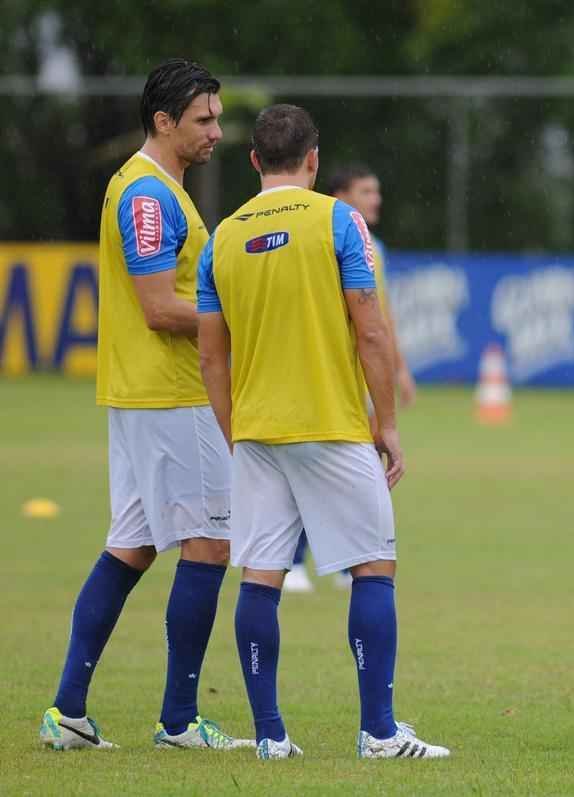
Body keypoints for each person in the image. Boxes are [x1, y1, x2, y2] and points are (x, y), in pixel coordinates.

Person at [197, 103, 449, 760]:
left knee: (260, 576)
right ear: (312, 159)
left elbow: (210, 356)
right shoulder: (339, 221)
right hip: (331, 426)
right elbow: (370, 328)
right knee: (374, 566)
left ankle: (271, 735)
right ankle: (379, 731)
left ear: (254, 161)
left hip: (255, 432)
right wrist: (387, 423)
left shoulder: (221, 237)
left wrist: (234, 431)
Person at [39, 59, 251, 752]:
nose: (217, 130)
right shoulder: (149, 197)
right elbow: (159, 307)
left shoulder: (159, 191)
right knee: (210, 543)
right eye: (204, 119)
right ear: (163, 122)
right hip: (172, 395)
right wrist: (237, 318)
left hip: (145, 396)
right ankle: (181, 720)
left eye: (217, 117)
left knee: (129, 547)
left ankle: (68, 711)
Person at [283, 163, 417, 594]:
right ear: (340, 196)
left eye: (376, 191)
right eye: (366, 190)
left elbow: (379, 316)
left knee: (357, 472)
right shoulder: (323, 236)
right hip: (325, 379)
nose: (375, 199)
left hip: (361, 380)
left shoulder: (371, 244)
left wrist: (398, 368)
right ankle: (294, 560)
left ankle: (346, 561)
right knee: (314, 467)